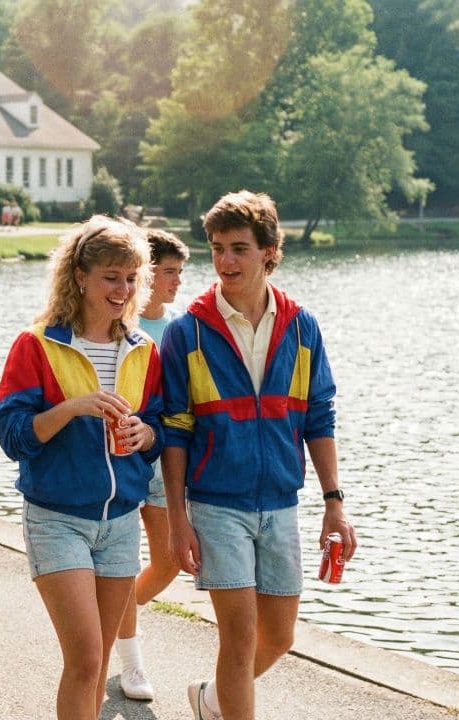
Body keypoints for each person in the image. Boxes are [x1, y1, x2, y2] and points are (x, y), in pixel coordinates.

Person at [158, 191, 357, 720]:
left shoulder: (301, 326)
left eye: (239, 249)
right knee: (240, 639)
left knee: (280, 636)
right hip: (217, 505)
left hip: (282, 504)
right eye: (218, 248)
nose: (225, 262)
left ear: (270, 251)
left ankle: (211, 701)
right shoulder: (187, 332)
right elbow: (175, 431)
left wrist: (334, 502)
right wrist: (178, 519)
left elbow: (319, 416)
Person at [0, 216, 164, 720]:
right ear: (81, 276)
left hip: (121, 523)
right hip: (57, 518)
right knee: (86, 659)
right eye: (111, 276)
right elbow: (11, 434)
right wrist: (71, 408)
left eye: (132, 278)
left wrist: (146, 434)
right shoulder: (37, 344)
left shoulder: (144, 349)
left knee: (98, 660)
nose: (123, 289)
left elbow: (161, 428)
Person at [113, 228, 190, 700]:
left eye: (181, 272)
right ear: (147, 275)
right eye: (168, 272)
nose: (176, 281)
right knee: (122, 564)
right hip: (122, 454)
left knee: (167, 561)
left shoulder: (182, 326)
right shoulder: (119, 323)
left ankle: (117, 614)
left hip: (167, 459)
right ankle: (131, 661)